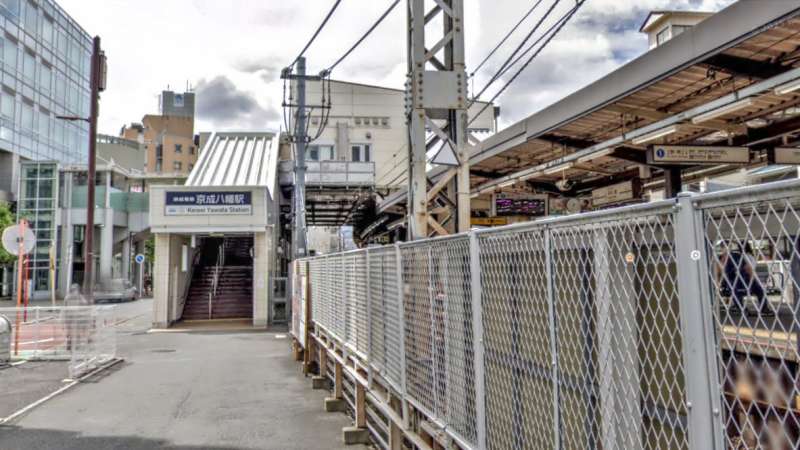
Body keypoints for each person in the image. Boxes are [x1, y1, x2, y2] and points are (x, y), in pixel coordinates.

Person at [719, 242, 774, 317]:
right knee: (756, 289)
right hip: (738, 281)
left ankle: (743, 308)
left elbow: (748, 268)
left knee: (736, 287)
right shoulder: (735, 257)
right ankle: (763, 309)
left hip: (739, 280)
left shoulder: (736, 256)